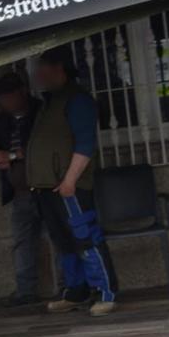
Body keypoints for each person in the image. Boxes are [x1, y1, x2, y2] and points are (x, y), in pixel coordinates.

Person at [28, 47, 118, 316]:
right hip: (47, 188)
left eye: (43, 68)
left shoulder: (77, 101)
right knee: (65, 244)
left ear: (59, 69)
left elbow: (85, 145)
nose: (38, 74)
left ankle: (105, 292)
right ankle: (76, 292)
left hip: (70, 187)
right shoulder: (50, 101)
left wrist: (69, 181)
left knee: (86, 238)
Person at [0, 73, 43, 307]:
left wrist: (14, 155)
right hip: (19, 191)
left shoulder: (41, 112)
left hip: (44, 187)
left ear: (22, 92)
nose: (6, 103)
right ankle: (26, 291)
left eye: (9, 97)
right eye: (2, 99)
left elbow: (42, 146)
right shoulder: (4, 119)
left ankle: (68, 287)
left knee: (61, 240)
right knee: (22, 242)